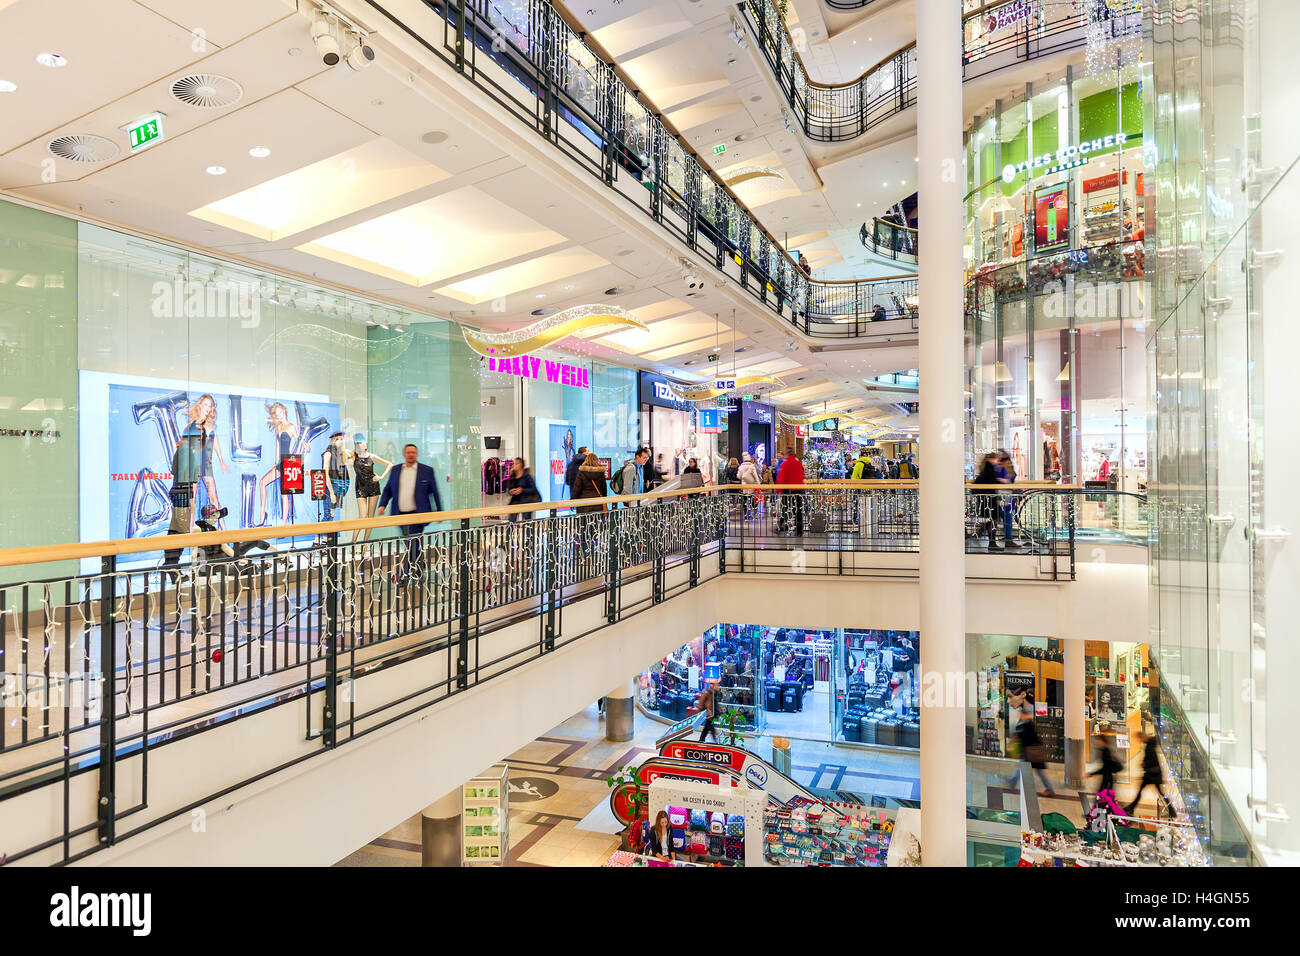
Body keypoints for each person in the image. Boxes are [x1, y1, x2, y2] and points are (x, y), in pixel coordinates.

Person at [378, 443, 443, 582]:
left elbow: (435, 492)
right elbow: (388, 489)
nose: (411, 454)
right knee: (413, 545)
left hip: (418, 515)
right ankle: (419, 568)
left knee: (412, 544)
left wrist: (439, 511)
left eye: (413, 452)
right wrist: (382, 505)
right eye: (408, 452)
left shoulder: (426, 470)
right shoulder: (395, 470)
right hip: (400, 515)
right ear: (404, 454)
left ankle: (404, 575)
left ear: (417, 454)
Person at [1010, 694, 1057, 797]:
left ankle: (1049, 789)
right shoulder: (1028, 723)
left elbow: (1025, 738)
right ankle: (1013, 781)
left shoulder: (1026, 724)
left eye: (1020, 714)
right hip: (1033, 752)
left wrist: (1016, 739)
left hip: (1032, 753)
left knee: (1028, 768)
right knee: (1034, 770)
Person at [1125, 731, 1173, 818]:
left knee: (1143, 792)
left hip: (1152, 775)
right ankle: (1172, 811)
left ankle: (1131, 808)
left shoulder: (1149, 746)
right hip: (1154, 774)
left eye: (1139, 739)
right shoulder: (1150, 744)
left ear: (1142, 737)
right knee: (1160, 793)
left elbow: (1153, 760)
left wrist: (1144, 764)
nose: (1139, 741)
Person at [973, 452, 1006, 551]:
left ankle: (986, 537)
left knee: (991, 520)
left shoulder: (986, 468)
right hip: (989, 500)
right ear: (991, 459)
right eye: (996, 459)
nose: (997, 461)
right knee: (993, 520)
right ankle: (991, 542)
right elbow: (991, 481)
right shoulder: (989, 469)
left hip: (986, 500)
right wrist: (1001, 481)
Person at [775, 448, 805, 535]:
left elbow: (781, 478)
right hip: (799, 490)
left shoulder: (785, 464)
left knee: (785, 508)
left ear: (787, 455)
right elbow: (802, 475)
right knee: (798, 510)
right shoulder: (798, 463)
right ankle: (799, 531)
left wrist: (779, 490)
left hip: (788, 490)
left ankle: (780, 526)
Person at [995, 450, 1020, 548]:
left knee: (1006, 519)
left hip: (1006, 498)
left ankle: (1007, 539)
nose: (1009, 462)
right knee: (1007, 518)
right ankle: (1008, 539)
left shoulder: (1004, 469)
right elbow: (1001, 481)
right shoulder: (1002, 469)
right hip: (1003, 498)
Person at [504, 457, 541, 521]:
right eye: (514, 464)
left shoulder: (527, 476)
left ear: (521, 464)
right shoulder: (512, 476)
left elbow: (533, 489)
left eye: (517, 463)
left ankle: (528, 530)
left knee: (527, 520)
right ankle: (511, 530)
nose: (515, 465)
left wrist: (522, 490)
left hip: (526, 501)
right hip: (515, 501)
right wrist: (511, 491)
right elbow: (508, 490)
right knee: (511, 520)